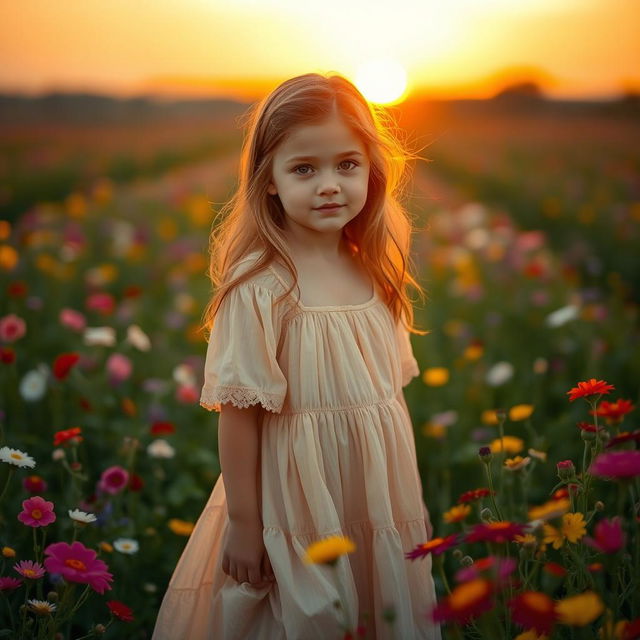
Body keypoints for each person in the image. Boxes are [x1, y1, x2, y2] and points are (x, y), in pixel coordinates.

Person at [152, 72, 441, 640]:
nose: (329, 185)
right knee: (304, 618)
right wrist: (244, 524)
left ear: (372, 170)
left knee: (376, 608)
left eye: (347, 165)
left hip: (374, 489)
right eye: (304, 169)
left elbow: (384, 402)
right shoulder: (262, 287)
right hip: (296, 496)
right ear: (270, 183)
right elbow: (240, 413)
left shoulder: (374, 268)